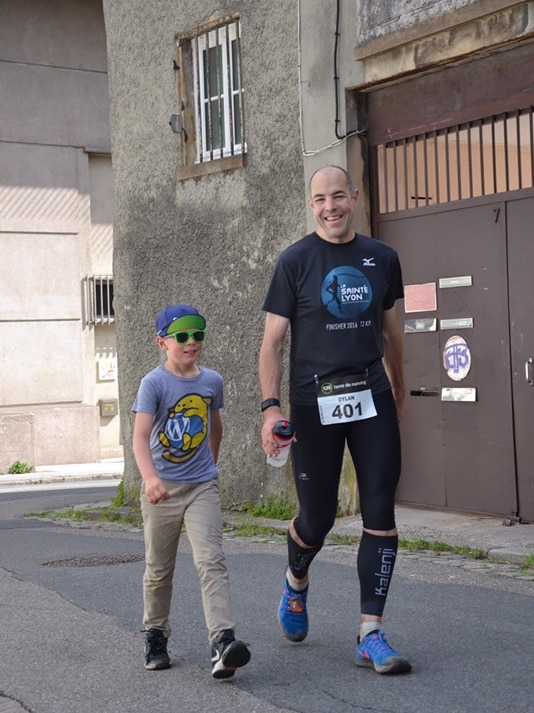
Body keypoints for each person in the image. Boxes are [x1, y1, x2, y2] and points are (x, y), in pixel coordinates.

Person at [259, 165, 411, 675]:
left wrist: (400, 385)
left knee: (380, 511)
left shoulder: (383, 258)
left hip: (371, 397)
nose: (331, 206)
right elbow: (272, 345)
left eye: (339, 196)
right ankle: (296, 581)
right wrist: (270, 407)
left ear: (355, 197)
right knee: (317, 518)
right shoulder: (295, 261)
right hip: (312, 404)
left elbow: (392, 333)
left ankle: (370, 632)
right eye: (321, 198)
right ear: (311, 204)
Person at [132, 304, 251, 678]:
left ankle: (222, 641)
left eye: (197, 335)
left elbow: (215, 426)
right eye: (182, 336)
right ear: (162, 342)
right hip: (162, 489)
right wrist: (150, 478)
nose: (191, 342)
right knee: (158, 570)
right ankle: (155, 635)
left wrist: (210, 467)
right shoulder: (155, 383)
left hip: (201, 486)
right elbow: (138, 436)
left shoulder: (211, 381)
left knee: (211, 561)